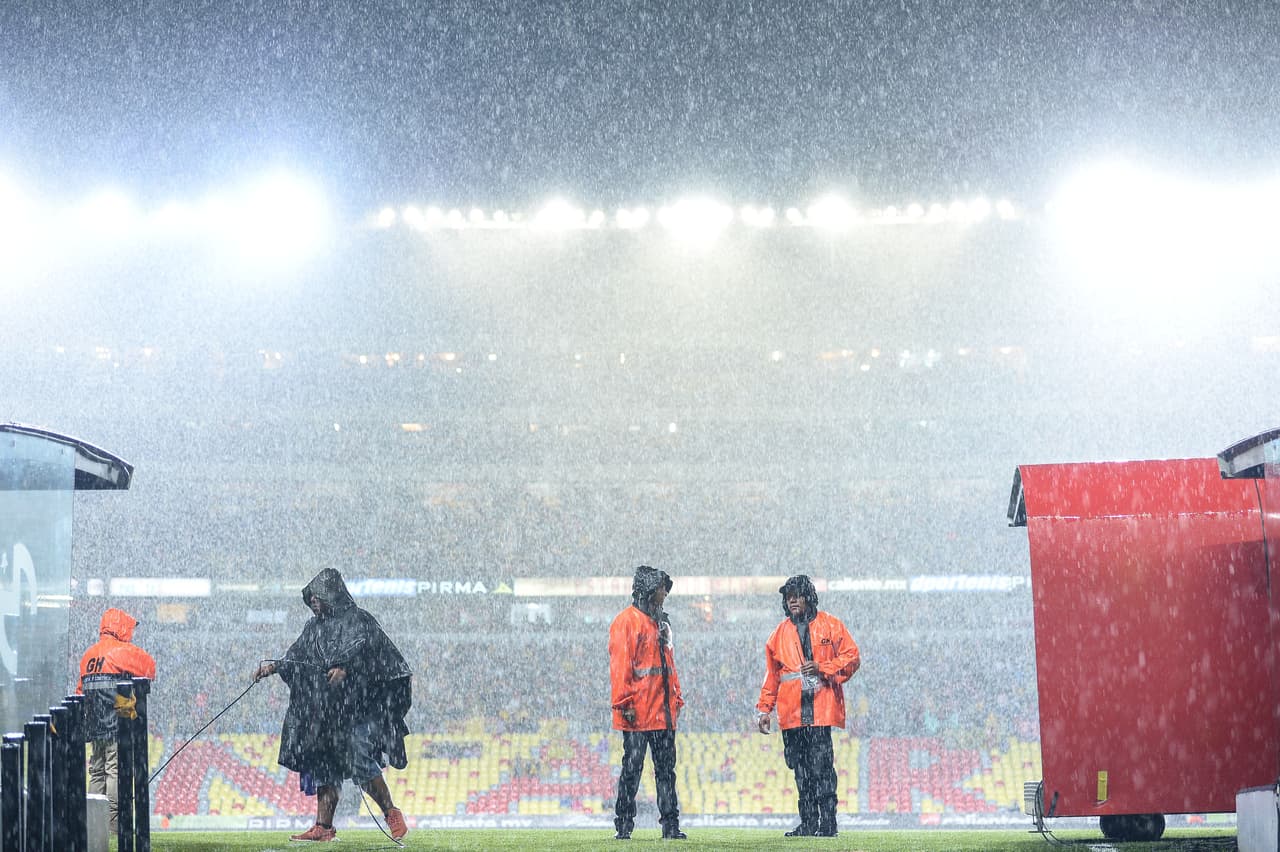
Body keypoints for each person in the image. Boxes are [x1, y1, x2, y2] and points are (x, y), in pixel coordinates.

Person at [252, 568, 412, 843]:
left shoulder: (359, 621)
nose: (314, 601)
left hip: (360, 709)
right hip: (326, 711)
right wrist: (274, 667)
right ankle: (323, 827)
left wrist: (348, 670)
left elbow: (380, 659)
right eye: (311, 596)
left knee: (359, 754)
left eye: (319, 596)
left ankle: (390, 812)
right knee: (324, 763)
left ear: (334, 594)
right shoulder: (312, 628)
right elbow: (297, 657)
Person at [756, 575, 860, 838]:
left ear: (809, 597)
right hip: (791, 715)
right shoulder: (777, 635)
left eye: (798, 594)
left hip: (820, 712)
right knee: (801, 773)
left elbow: (852, 657)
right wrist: (764, 709)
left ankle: (827, 824)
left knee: (822, 770)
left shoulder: (831, 625)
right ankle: (808, 823)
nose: (792, 599)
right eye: (788, 595)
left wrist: (822, 668)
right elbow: (772, 676)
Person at [608, 565, 686, 840]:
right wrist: (624, 702)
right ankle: (625, 824)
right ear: (650, 589)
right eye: (663, 588)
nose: (666, 593)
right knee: (633, 769)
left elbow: (669, 664)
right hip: (639, 713)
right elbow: (621, 666)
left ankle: (670, 826)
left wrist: (676, 696)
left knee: (665, 771)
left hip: (662, 712)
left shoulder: (661, 622)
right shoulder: (627, 621)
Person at [78, 607, 158, 833]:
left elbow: (79, 692)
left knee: (97, 770)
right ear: (120, 627)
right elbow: (150, 668)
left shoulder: (88, 656)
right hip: (117, 723)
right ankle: (113, 825)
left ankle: (94, 825)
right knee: (115, 770)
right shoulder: (122, 651)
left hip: (94, 726)